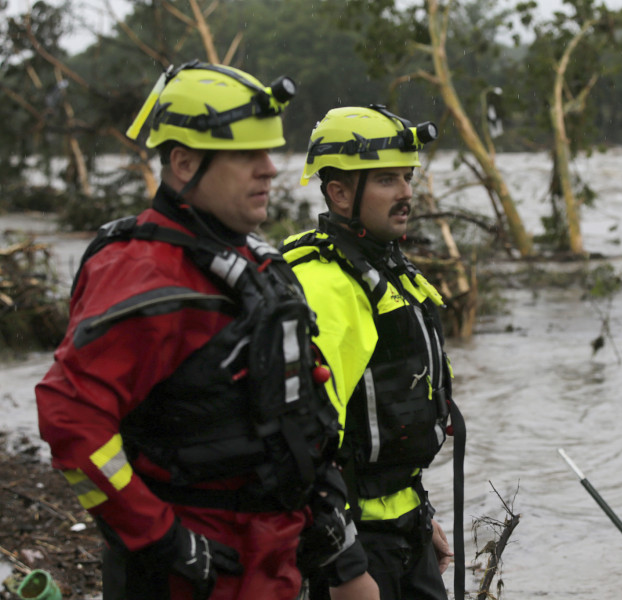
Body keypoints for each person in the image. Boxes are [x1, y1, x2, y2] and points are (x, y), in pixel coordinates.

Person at [34, 61, 378, 600]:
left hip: (273, 560)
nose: (269, 170)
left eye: (269, 152)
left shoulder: (260, 264)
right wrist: (159, 537)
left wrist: (335, 530)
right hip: (191, 574)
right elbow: (70, 420)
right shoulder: (143, 275)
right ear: (184, 162)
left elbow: (302, 411)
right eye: (247, 155)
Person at [282, 104, 464, 600]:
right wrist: (345, 567)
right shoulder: (324, 287)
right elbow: (305, 446)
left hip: (404, 526)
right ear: (339, 193)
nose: (406, 192)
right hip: (354, 544)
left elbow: (387, 423)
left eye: (407, 177)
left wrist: (419, 514)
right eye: (386, 179)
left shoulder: (383, 268)